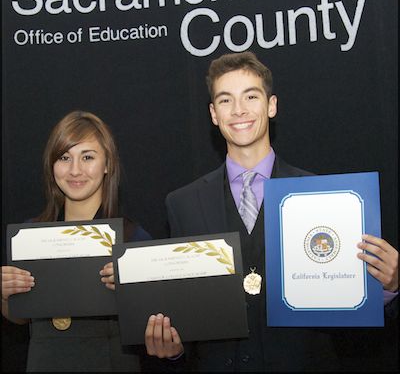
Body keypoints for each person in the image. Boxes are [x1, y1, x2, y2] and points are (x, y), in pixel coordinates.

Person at [144, 51, 399, 371]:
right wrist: (173, 351)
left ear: (271, 105)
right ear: (213, 113)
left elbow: (349, 324)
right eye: (225, 100)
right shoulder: (182, 204)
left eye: (251, 96)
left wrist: (388, 288)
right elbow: (185, 319)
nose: (238, 110)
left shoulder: (327, 197)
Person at [1, 110, 151, 372]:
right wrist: (5, 296)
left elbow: (155, 323)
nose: (75, 170)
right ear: (52, 165)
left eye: (87, 157)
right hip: (44, 362)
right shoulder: (29, 235)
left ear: (107, 164)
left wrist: (133, 294)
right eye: (64, 157)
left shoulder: (132, 239)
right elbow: (20, 316)